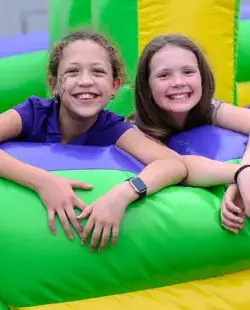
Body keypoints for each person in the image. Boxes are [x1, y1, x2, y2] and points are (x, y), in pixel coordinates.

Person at [0, 31, 243, 252]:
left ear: (114, 85)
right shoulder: (33, 114)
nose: (85, 81)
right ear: (54, 85)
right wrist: (42, 182)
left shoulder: (111, 128)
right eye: (72, 72)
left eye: (98, 72)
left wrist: (122, 194)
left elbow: (174, 165)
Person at [131, 34, 250, 234]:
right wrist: (237, 176)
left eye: (188, 72)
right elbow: (179, 167)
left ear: (202, 77)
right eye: (163, 75)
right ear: (147, 86)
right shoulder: (138, 132)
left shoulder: (211, 109)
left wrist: (245, 171)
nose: (178, 82)